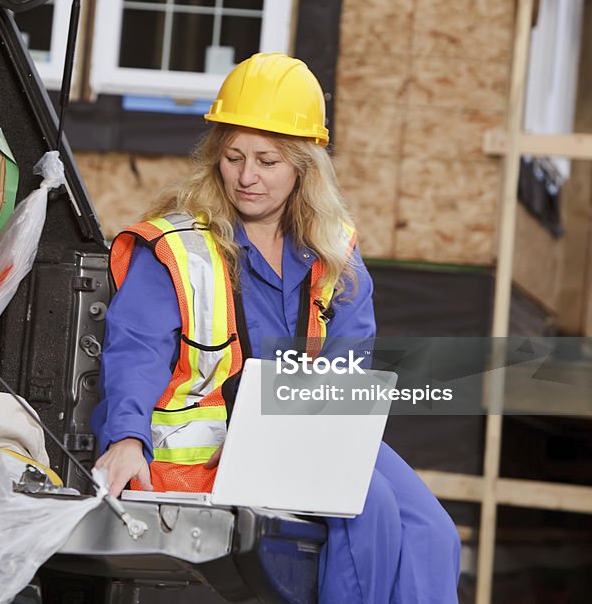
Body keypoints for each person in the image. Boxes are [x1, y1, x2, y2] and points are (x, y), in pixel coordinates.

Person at [91, 53, 461, 603]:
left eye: (267, 160)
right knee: (370, 510)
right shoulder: (178, 246)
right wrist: (125, 436)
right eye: (234, 156)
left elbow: (347, 363)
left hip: (304, 420)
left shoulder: (334, 250)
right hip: (219, 437)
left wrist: (325, 429)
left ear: (302, 167)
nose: (246, 177)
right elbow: (134, 350)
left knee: (436, 533)